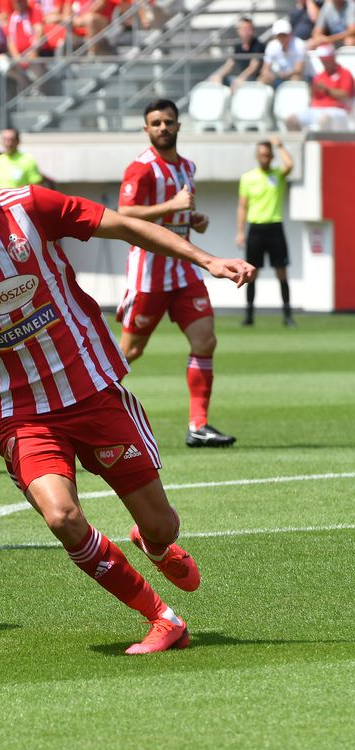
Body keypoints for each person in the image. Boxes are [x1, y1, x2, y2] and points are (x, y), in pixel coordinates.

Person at [0, 134, 255, 654]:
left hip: (92, 389)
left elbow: (126, 226)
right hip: (24, 413)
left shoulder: (29, 206)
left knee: (162, 524)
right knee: (62, 517)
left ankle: (154, 544)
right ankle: (162, 619)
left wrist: (206, 259)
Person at [117, 99, 236, 448]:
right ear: (146, 129)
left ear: (179, 126)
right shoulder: (140, 168)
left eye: (168, 122)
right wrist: (173, 207)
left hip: (185, 271)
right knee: (130, 351)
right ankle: (82, 406)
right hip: (149, 273)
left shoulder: (187, 167)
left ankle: (198, 425)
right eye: (156, 123)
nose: (163, 128)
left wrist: (192, 221)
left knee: (205, 340)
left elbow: (179, 214)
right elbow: (124, 213)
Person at [237, 137, 295, 327]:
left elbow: (290, 164)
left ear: (271, 156)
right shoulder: (248, 178)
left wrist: (280, 145)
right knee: (251, 273)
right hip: (255, 229)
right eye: (261, 154)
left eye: (267, 154)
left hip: (275, 227)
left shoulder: (277, 174)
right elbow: (242, 207)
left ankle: (287, 315)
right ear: (257, 156)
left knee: (282, 272)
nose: (264, 157)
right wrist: (240, 231)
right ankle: (249, 315)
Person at [286, 44, 354, 131]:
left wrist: (327, 90)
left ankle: (323, 144)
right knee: (291, 120)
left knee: (324, 119)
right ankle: (296, 144)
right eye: (322, 59)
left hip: (338, 110)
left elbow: (345, 95)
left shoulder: (345, 73)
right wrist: (312, 89)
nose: (324, 62)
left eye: (326, 59)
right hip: (317, 109)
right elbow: (312, 98)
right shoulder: (319, 76)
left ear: (333, 58)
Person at [208, 17, 264, 87]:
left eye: (249, 29)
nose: (247, 31)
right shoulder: (237, 46)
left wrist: (240, 79)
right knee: (218, 80)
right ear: (238, 30)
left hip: (253, 79)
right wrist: (219, 75)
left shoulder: (258, 45)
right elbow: (229, 64)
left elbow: (253, 67)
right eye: (244, 29)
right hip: (241, 78)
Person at [261, 18, 311, 86]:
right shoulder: (272, 45)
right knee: (263, 79)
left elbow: (299, 69)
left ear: (290, 34)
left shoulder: (299, 44)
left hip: (294, 77)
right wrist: (268, 75)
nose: (282, 38)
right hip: (277, 77)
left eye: (284, 35)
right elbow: (265, 68)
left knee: (295, 78)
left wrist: (283, 75)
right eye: (279, 35)